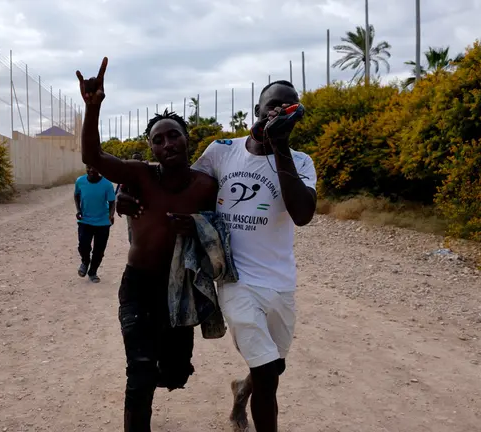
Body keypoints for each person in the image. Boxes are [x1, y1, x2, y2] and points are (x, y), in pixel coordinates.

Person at [116, 80, 317, 432]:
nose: (277, 113)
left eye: (287, 108)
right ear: (257, 111)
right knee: (268, 373)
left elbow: (302, 215)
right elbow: (175, 174)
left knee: (273, 366)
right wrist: (126, 186)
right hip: (234, 280)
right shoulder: (223, 151)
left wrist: (280, 145)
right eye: (272, 106)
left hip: (280, 282)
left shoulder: (300, 161)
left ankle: (243, 391)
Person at [76, 57, 219, 432]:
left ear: (187, 138)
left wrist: (199, 226)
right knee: (138, 374)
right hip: (138, 287)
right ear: (151, 149)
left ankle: (158, 370)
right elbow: (93, 157)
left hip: (179, 290)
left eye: (173, 135)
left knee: (176, 373)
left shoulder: (206, 186)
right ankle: (141, 379)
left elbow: (223, 232)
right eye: (158, 139)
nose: (167, 143)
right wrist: (93, 108)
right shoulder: (139, 175)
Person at [74, 164, 116, 283]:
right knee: (83, 245)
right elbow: (76, 195)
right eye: (89, 167)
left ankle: (93, 272)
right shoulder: (80, 181)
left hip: (102, 222)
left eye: (95, 167)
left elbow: (112, 202)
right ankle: (85, 262)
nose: (92, 170)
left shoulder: (107, 184)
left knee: (99, 250)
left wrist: (111, 215)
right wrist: (78, 210)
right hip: (85, 220)